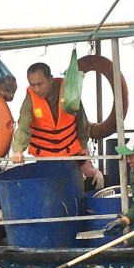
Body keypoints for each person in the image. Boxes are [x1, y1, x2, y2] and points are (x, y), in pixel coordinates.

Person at [9, 62, 102, 190]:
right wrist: (18, 150)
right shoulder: (30, 99)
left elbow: (81, 120)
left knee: (75, 187)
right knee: (49, 190)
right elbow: (23, 126)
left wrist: (83, 145)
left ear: (50, 79)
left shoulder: (69, 92)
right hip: (45, 157)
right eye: (32, 84)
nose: (36, 89)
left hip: (71, 152)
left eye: (40, 84)